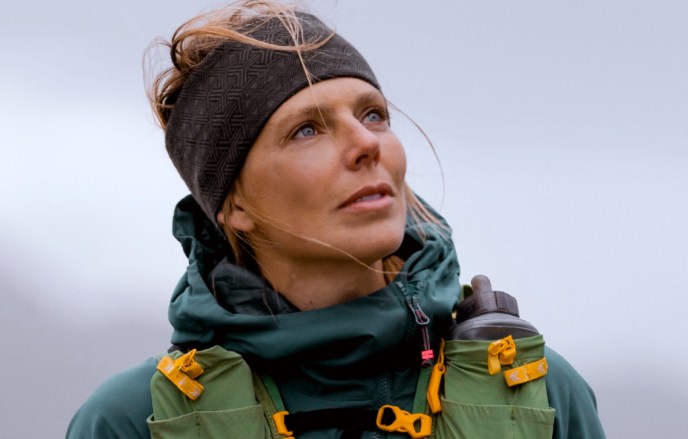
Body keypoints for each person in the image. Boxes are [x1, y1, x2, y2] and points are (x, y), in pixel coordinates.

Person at [67, 1, 605, 438]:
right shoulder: (134, 421)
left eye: (373, 114)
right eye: (307, 130)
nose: (367, 143)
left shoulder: (535, 394)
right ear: (234, 206)